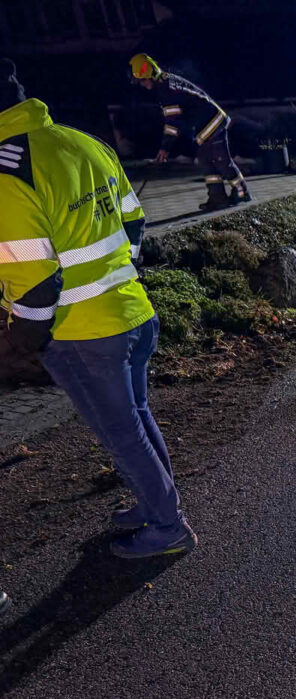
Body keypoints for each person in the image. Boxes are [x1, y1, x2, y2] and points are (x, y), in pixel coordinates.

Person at [0, 59, 197, 558]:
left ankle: (168, 525)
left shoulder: (8, 169)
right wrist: (117, 279)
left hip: (83, 332)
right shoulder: (82, 142)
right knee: (136, 417)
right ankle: (157, 502)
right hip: (133, 313)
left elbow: (35, 281)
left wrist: (19, 343)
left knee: (121, 433)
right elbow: (134, 221)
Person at [129, 53, 250, 211]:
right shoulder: (166, 82)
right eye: (140, 82)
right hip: (204, 126)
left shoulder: (165, 89)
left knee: (221, 160)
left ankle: (242, 192)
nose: (143, 84)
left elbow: (172, 123)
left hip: (212, 122)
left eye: (143, 80)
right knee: (206, 161)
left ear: (151, 74)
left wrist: (165, 148)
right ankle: (218, 198)